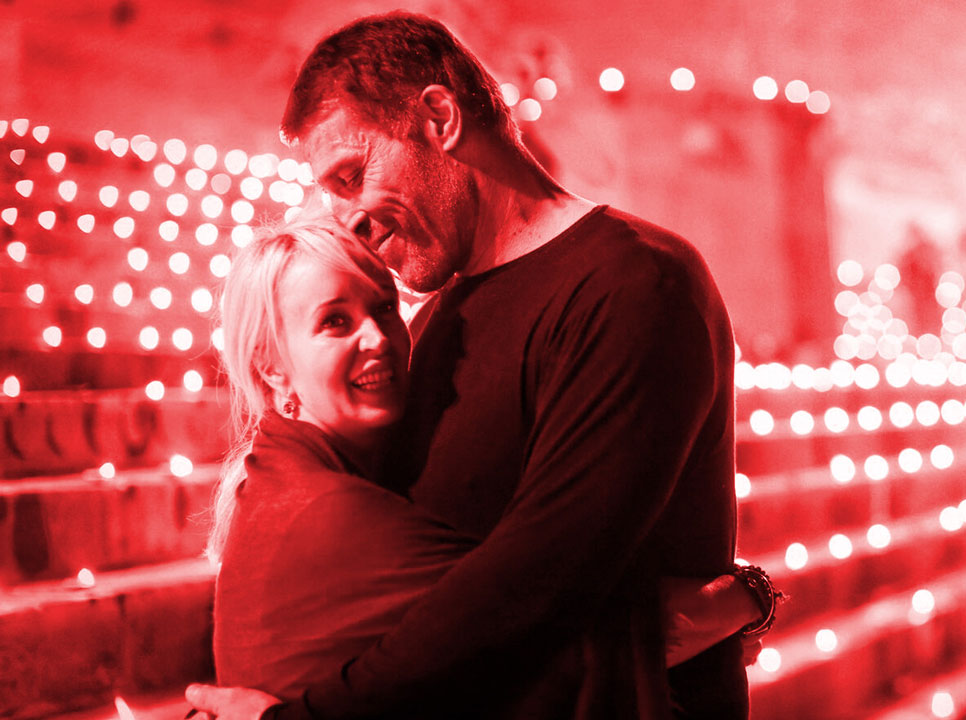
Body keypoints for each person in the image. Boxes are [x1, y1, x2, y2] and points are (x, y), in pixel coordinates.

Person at [188, 11, 753, 719]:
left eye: (353, 174)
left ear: (439, 118)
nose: (349, 218)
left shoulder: (635, 284)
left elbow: (536, 587)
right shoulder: (427, 322)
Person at [204, 220, 766, 712]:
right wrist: (745, 599)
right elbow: (548, 634)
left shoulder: (280, 479)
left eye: (382, 308)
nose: (378, 338)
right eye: (334, 322)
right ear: (271, 368)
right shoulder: (325, 511)